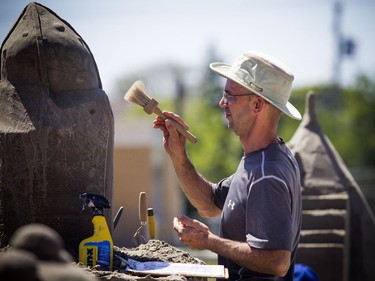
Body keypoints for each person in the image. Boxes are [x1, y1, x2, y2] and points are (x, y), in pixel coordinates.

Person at [153, 50, 302, 281]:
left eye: (230, 95)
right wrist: (178, 156)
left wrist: (207, 241)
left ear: (257, 104)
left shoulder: (267, 172)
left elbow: (277, 261)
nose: (222, 102)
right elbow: (210, 203)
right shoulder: (258, 161)